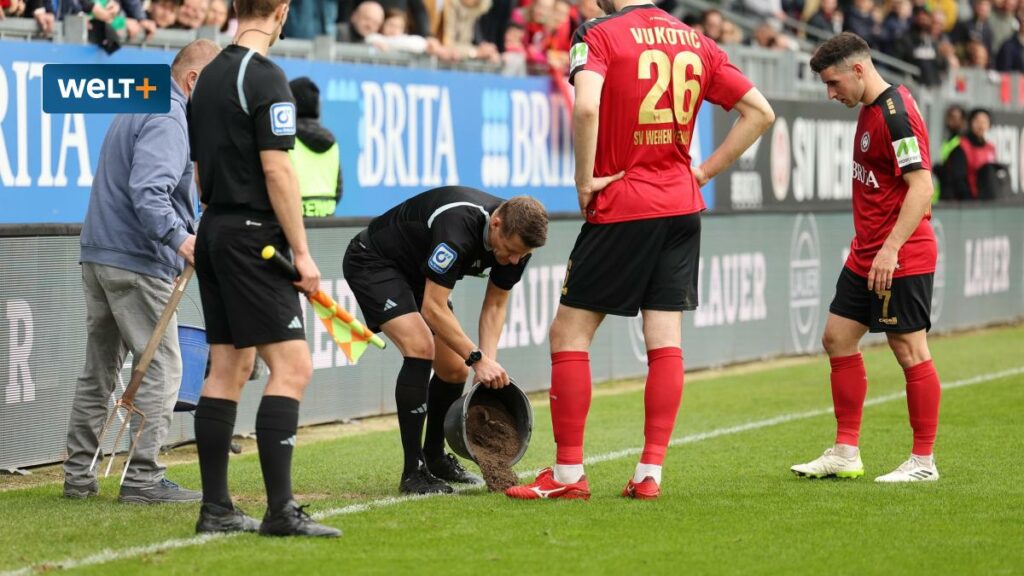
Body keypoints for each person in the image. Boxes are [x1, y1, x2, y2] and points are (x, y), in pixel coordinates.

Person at [506, 0, 774, 501]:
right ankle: (650, 473)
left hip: (625, 201)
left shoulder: (599, 32)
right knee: (665, 340)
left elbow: (586, 106)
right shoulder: (697, 39)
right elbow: (760, 111)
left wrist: (584, 180)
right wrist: (703, 172)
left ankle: (567, 477)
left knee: (569, 334)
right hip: (681, 205)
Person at [188, 0, 339, 537]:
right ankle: (281, 510)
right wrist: (302, 252)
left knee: (227, 368)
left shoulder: (204, 77)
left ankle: (216, 509)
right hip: (255, 237)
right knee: (293, 368)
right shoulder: (267, 75)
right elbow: (277, 169)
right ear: (281, 11)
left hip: (215, 229)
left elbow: (202, 172)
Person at [62, 40, 220, 505]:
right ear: (193, 81)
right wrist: (183, 240)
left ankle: (78, 477)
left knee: (100, 370)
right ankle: (142, 479)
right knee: (164, 369)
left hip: (100, 253)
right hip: (136, 259)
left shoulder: (142, 101)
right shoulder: (170, 116)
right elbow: (149, 193)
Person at [792, 32, 943, 483]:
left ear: (859, 70)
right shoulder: (872, 109)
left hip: (901, 253)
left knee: (909, 349)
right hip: (867, 253)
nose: (831, 92)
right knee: (837, 337)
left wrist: (892, 249)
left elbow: (921, 186)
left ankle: (923, 462)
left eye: (834, 82)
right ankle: (845, 451)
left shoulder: (896, 116)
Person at [343, 188, 548, 494]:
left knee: (454, 369)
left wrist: (485, 364)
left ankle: (435, 457)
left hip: (417, 276)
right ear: (496, 223)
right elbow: (433, 307)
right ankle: (413, 472)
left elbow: (495, 306)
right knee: (420, 347)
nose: (513, 259)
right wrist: (477, 358)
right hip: (374, 262)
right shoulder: (457, 227)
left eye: (522, 255)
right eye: (509, 249)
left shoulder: (517, 245)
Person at [287, 77, 343, 217]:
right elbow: (339, 190)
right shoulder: (332, 141)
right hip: (325, 224)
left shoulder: (286, 139)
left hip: (294, 222)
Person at [943, 108, 999, 200]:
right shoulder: (962, 147)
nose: (981, 125)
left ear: (989, 125)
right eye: (977, 121)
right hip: (970, 202)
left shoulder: (991, 148)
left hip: (988, 201)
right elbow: (958, 179)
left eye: (984, 122)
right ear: (970, 123)